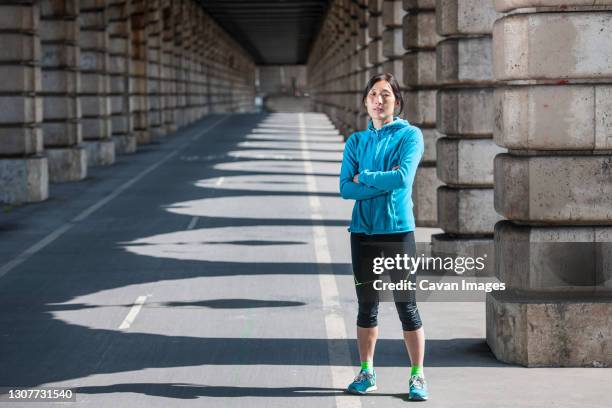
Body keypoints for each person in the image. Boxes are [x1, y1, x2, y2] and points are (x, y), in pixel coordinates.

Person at [339, 73, 427, 401]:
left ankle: (417, 376)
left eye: (386, 95)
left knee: (407, 307)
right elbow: (345, 188)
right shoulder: (356, 142)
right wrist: (378, 182)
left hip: (397, 233)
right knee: (367, 307)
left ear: (396, 101)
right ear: (365, 102)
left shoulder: (410, 136)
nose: (379, 100)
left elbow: (403, 179)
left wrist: (367, 178)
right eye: (373, 94)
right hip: (361, 235)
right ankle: (367, 372)